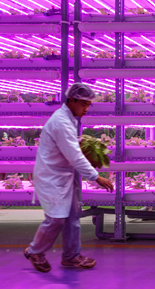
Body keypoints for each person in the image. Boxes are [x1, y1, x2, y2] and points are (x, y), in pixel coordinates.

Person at [24, 82, 114, 272]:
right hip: (52, 178)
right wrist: (96, 177)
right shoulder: (61, 122)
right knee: (56, 218)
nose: (86, 109)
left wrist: (84, 142)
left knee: (72, 217)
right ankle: (35, 251)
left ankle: (71, 257)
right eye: (84, 104)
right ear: (71, 100)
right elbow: (74, 155)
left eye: (89, 105)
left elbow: (69, 147)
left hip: (63, 177)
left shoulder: (69, 118)